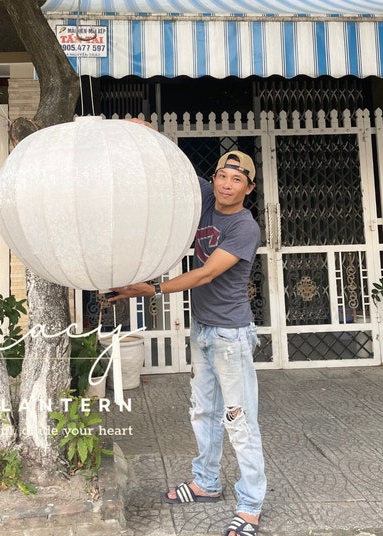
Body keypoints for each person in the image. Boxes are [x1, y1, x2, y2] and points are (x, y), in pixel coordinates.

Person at [108, 150, 266, 536]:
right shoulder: (208, 198)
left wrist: (150, 288)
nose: (226, 185)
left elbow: (206, 275)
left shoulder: (245, 228)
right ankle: (206, 483)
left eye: (236, 180)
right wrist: (145, 133)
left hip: (231, 336)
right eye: (221, 177)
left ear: (249, 187)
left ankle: (250, 506)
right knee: (202, 411)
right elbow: (172, 168)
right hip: (204, 328)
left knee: (239, 421)